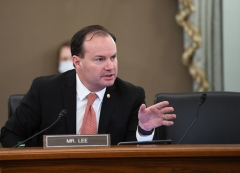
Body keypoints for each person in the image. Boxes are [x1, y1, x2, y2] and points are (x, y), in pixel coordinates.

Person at [0, 25, 176, 147]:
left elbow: (134, 151)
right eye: (100, 59)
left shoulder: (131, 96)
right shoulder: (45, 90)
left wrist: (144, 130)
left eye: (113, 57)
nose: (110, 66)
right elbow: (10, 135)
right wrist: (31, 161)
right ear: (77, 62)